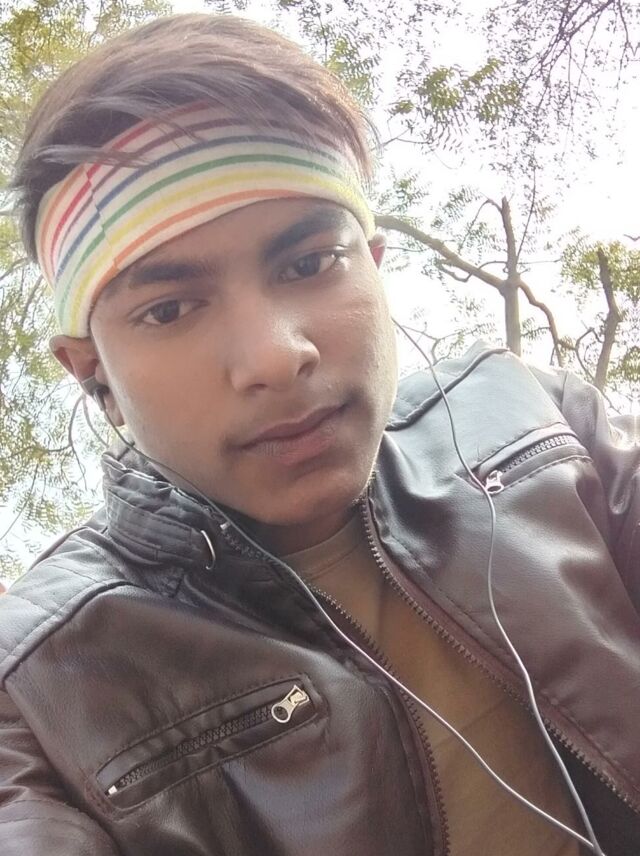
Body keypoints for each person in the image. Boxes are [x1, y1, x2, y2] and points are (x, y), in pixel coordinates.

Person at [1, 13, 639, 856]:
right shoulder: (39, 681)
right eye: (170, 308)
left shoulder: (531, 422)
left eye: (309, 263)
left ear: (374, 262)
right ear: (94, 374)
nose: (275, 356)